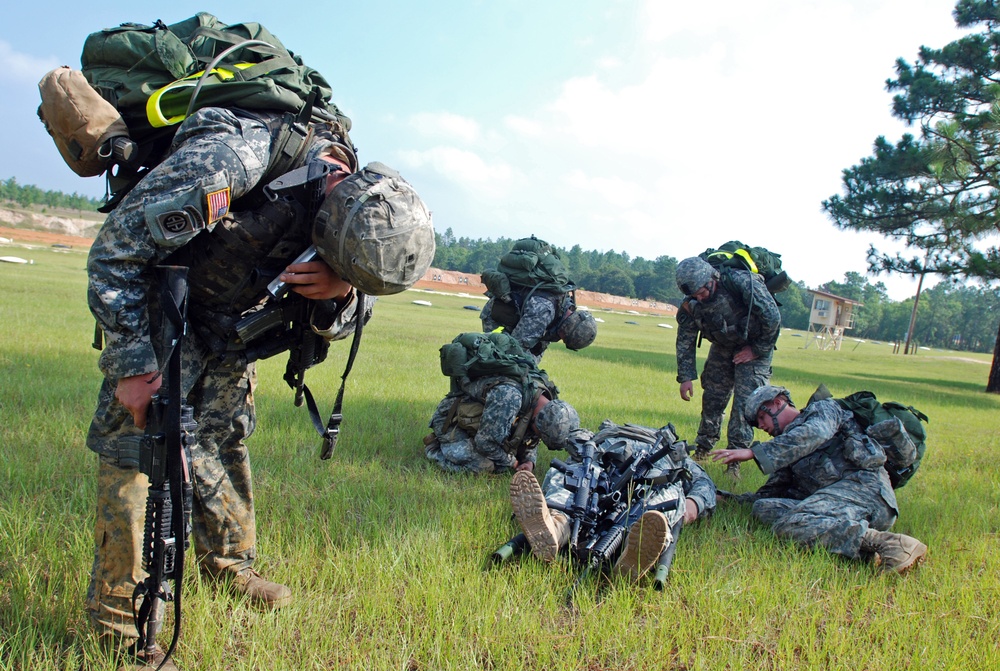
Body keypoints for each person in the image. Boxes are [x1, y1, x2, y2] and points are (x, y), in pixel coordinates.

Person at [85, 102, 434, 669]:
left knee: (225, 436)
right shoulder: (228, 163)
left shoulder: (362, 216)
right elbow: (115, 252)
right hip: (161, 308)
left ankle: (230, 565)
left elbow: (354, 315)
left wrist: (338, 292)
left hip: (229, 324)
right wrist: (130, 365)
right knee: (137, 454)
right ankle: (122, 626)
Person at [711, 386, 928, 573]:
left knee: (787, 525)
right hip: (836, 504)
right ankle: (863, 550)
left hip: (866, 492)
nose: (762, 427)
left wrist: (754, 453)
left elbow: (814, 433)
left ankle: (891, 544)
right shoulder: (788, 448)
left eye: (761, 417)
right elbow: (772, 493)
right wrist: (727, 498)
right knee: (763, 508)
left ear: (778, 403)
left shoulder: (824, 410)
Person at [510, 417, 716, 582]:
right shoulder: (670, 453)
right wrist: (692, 505)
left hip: (631, 457)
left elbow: (704, 484)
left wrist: (692, 505)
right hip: (610, 452)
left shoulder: (671, 451)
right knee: (583, 477)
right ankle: (556, 527)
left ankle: (559, 524)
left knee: (661, 491)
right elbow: (704, 484)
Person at [674, 256, 780, 478]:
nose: (699, 297)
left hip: (754, 346)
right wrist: (685, 377)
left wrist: (756, 350)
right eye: (694, 295)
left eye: (702, 292)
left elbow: (772, 318)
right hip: (723, 345)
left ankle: (734, 461)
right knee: (713, 394)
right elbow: (685, 338)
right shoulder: (691, 304)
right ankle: (703, 448)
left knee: (746, 402)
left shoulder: (743, 283)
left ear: (712, 278)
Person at [425, 341, 567, 474]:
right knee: (488, 465)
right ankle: (435, 449)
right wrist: (512, 462)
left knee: (502, 453)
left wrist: (529, 461)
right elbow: (485, 443)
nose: (539, 437)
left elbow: (532, 436)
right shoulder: (509, 398)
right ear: (537, 420)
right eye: (541, 434)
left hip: (482, 421)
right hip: (451, 420)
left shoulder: (549, 403)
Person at [480, 236, 597, 361]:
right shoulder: (543, 311)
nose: (561, 340)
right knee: (501, 357)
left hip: (518, 316)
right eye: (564, 338)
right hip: (495, 316)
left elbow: (540, 342)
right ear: (566, 331)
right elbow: (517, 345)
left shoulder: (565, 305)